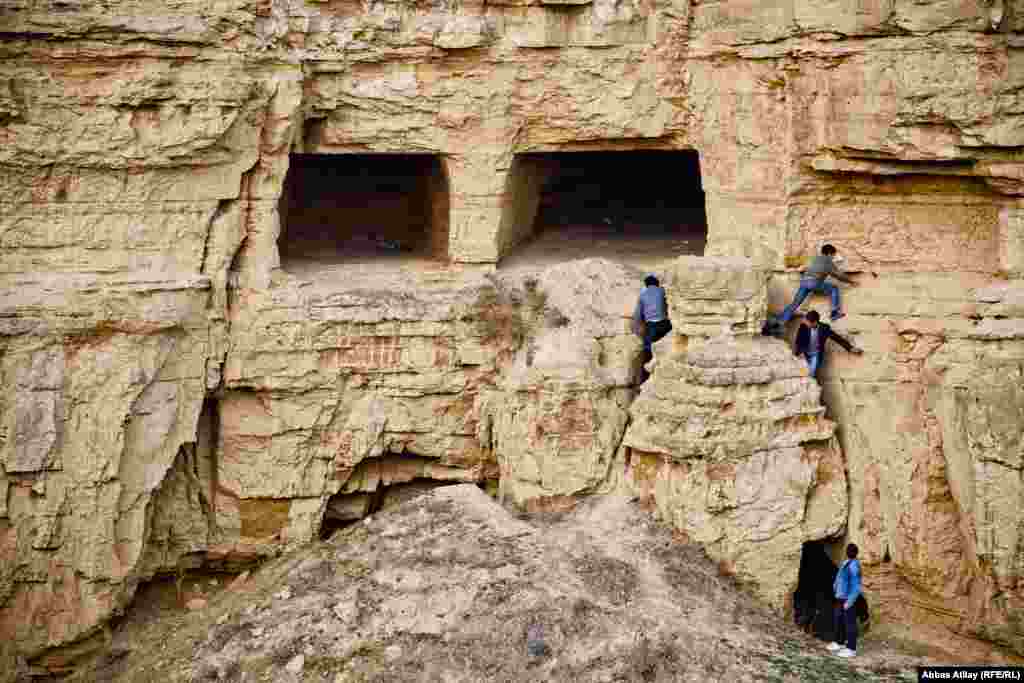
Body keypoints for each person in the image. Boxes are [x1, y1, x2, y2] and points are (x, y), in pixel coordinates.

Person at [779, 244, 857, 323]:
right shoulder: (827, 261)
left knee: (795, 303)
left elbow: (805, 268)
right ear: (829, 253)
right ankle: (834, 313)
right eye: (833, 255)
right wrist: (851, 282)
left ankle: (780, 320)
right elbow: (838, 275)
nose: (833, 257)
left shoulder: (815, 258)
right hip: (813, 282)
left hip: (804, 282)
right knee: (834, 288)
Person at [794, 310, 863, 378]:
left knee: (812, 373)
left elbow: (837, 338)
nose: (806, 323)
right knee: (804, 373)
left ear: (815, 322)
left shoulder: (824, 328)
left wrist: (850, 348)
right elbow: (798, 340)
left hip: (816, 354)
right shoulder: (803, 327)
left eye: (808, 322)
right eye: (806, 321)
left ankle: (810, 386)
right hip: (805, 352)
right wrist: (797, 353)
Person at [632, 275, 672, 384]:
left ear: (646, 285)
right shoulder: (662, 291)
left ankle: (647, 380)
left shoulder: (643, 294)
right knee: (667, 349)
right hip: (665, 324)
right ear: (657, 283)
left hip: (651, 327)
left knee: (648, 352)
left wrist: (635, 331)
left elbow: (637, 315)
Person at [828, 543, 862, 658]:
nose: (849, 552)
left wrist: (850, 601)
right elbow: (839, 577)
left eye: (851, 550)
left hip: (848, 599)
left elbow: (856, 587)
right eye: (848, 550)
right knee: (839, 620)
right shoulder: (846, 562)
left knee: (850, 623)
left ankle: (851, 648)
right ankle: (839, 642)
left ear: (855, 553)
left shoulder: (854, 566)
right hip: (840, 597)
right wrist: (835, 587)